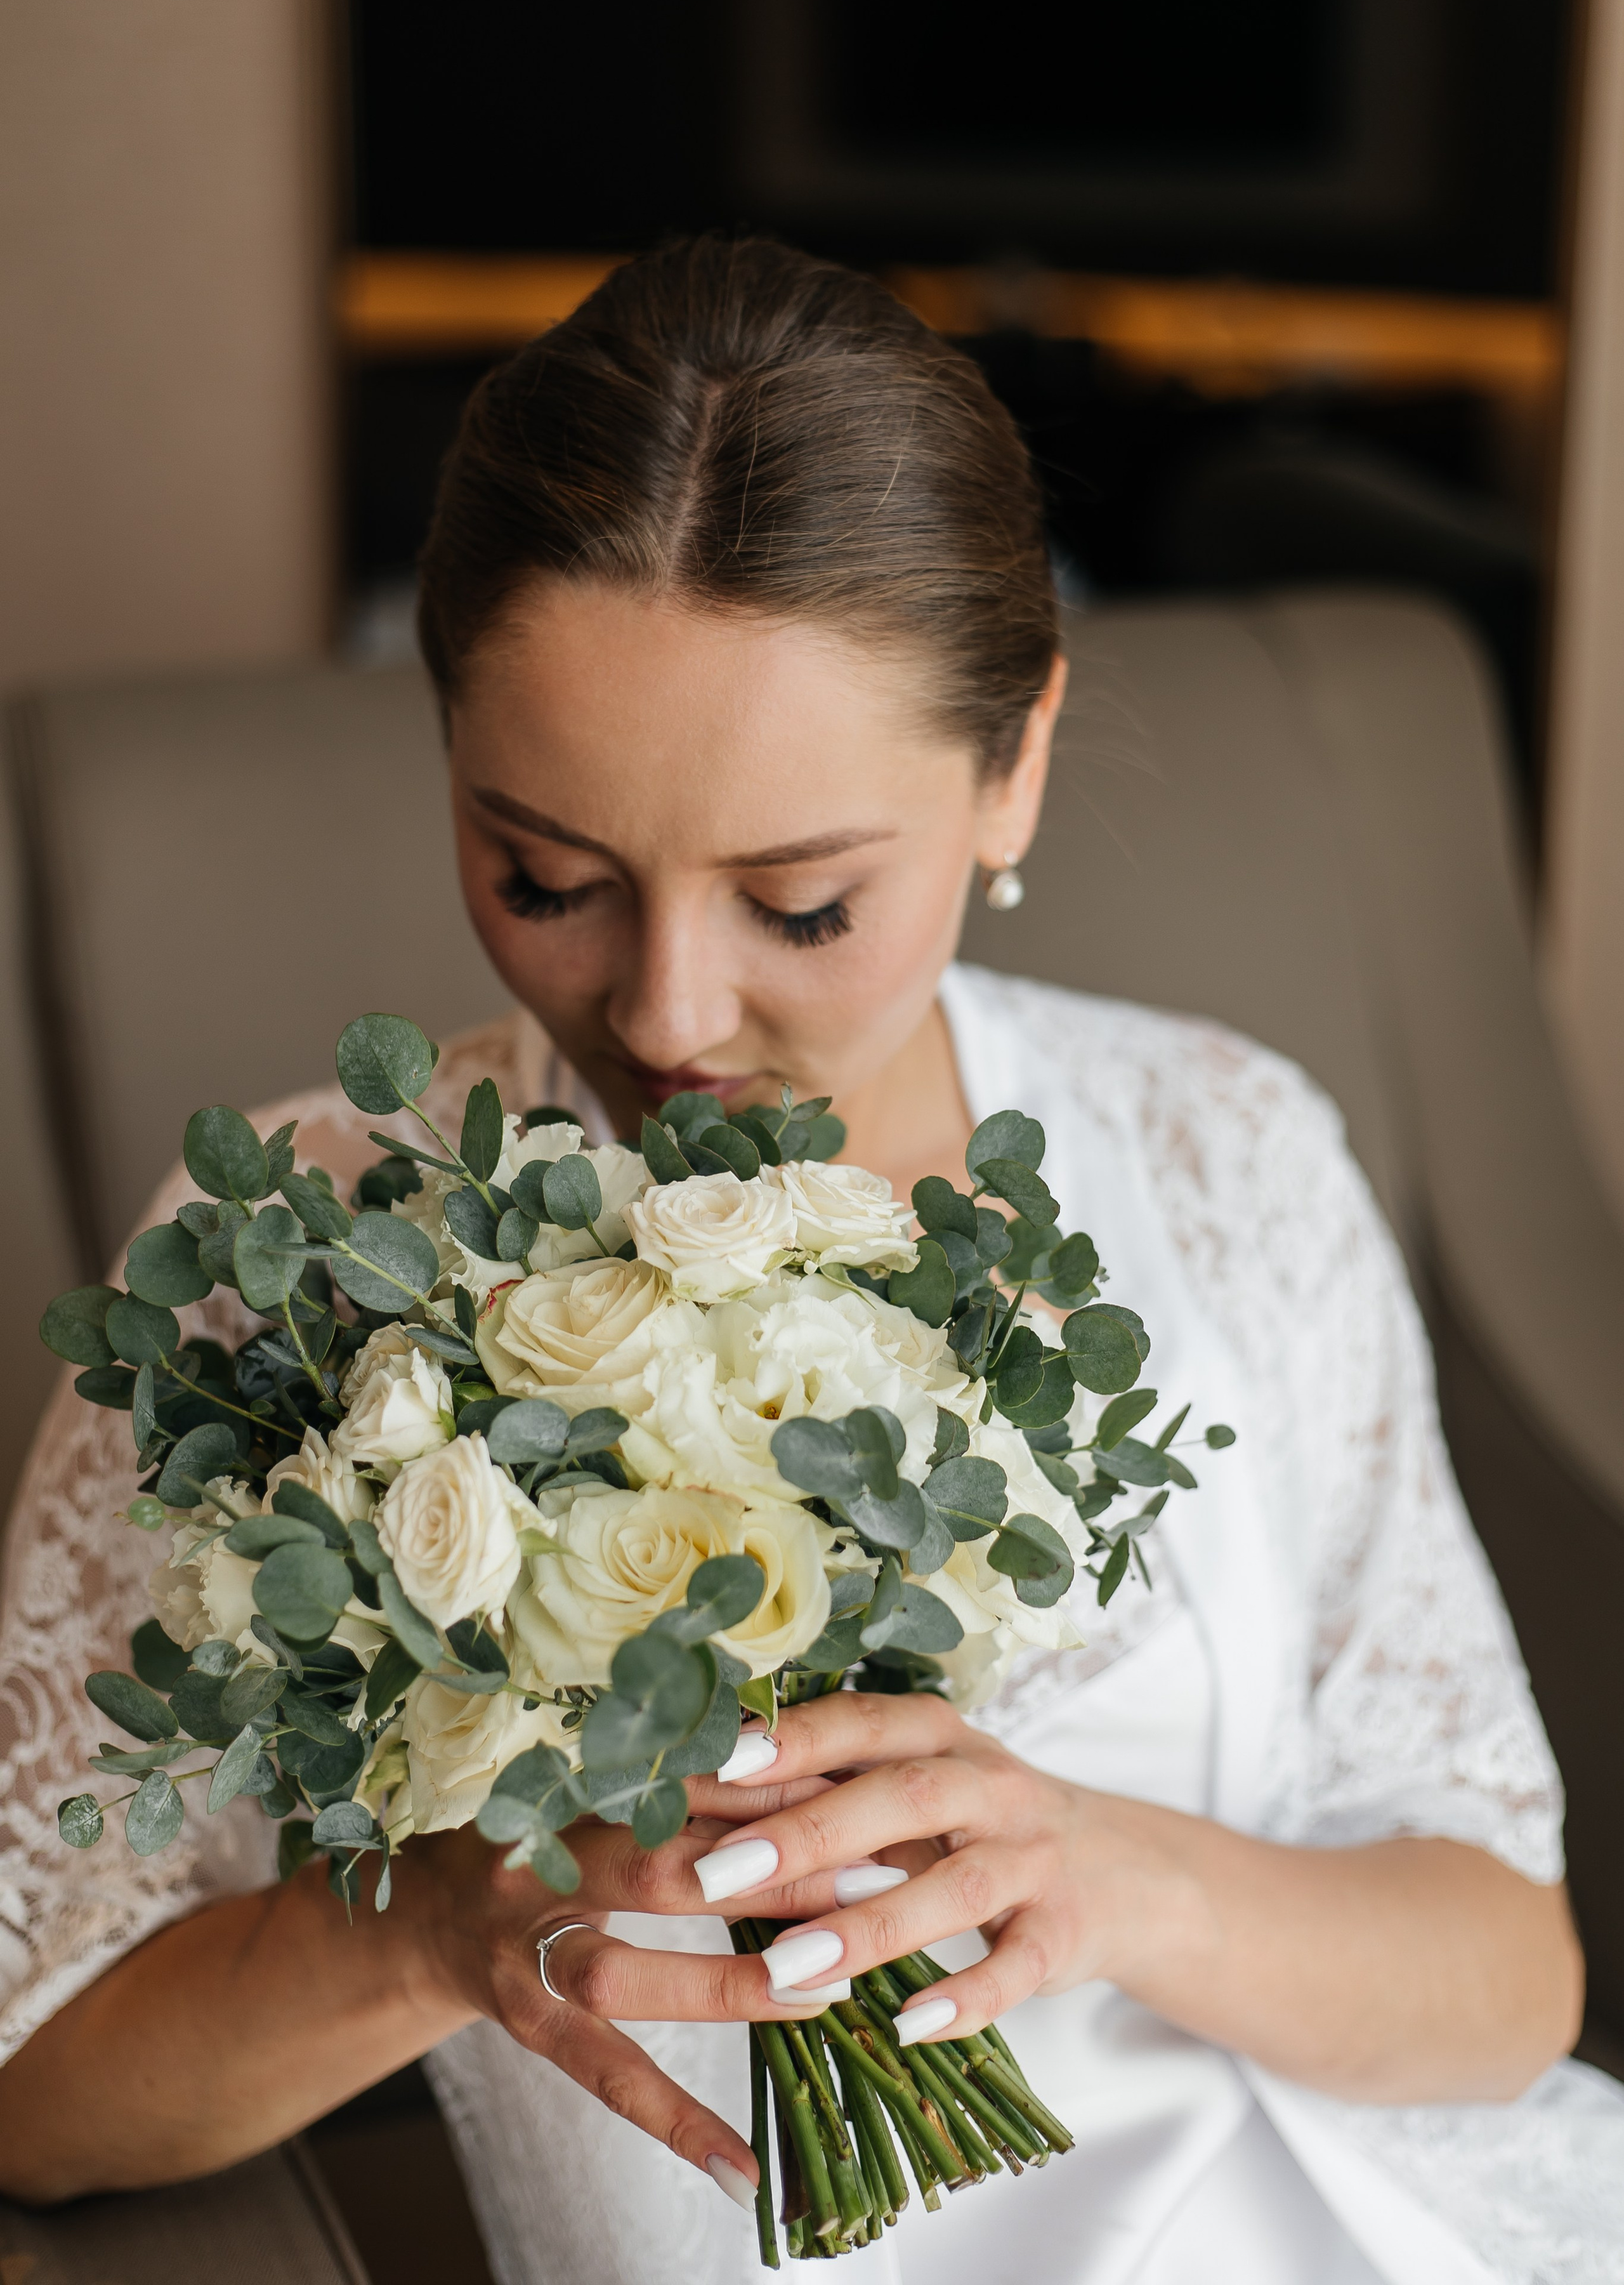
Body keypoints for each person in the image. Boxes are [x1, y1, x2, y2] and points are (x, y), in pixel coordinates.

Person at [0, 237, 1618, 2285]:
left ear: (1012, 763)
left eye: (805, 906)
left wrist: (1111, 1877)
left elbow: (1505, 1973)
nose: (670, 1012)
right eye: (546, 874)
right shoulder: (288, 1275)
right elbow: (32, 2084)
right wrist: (431, 1930)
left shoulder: (1224, 1150)